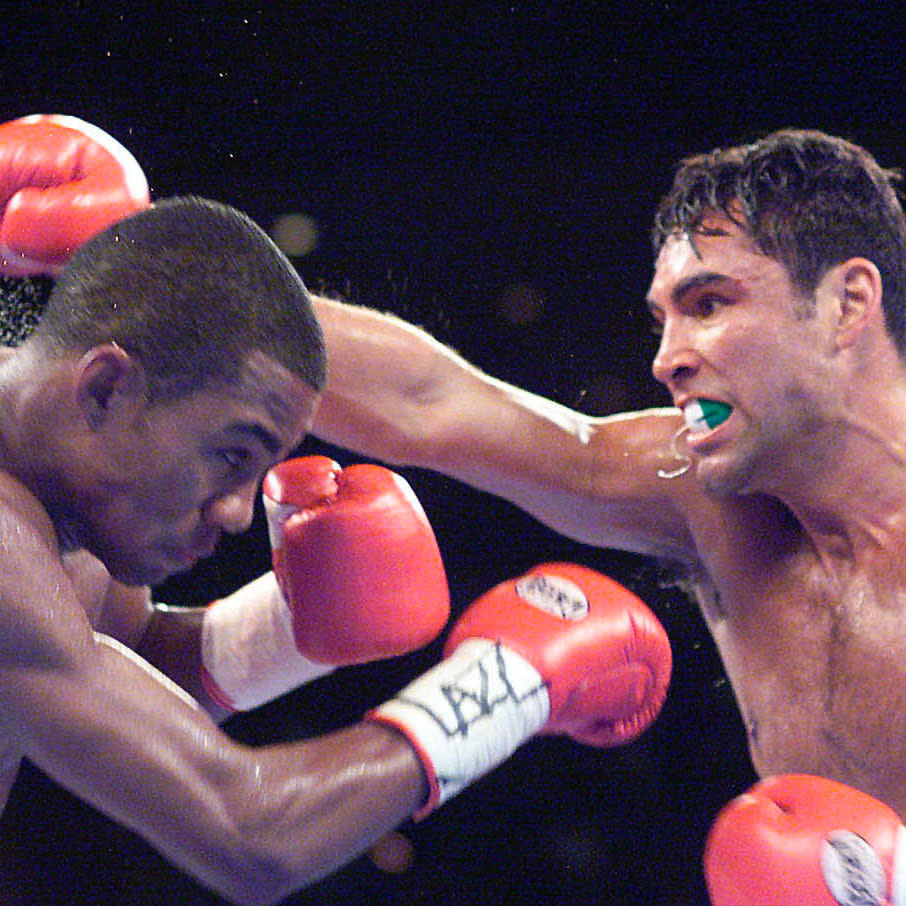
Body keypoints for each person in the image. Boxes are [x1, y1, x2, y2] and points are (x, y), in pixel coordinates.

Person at [0, 115, 672, 905]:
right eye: (230, 454)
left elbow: (106, 654)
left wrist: (285, 632)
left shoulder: (69, 500)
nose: (240, 514)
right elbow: (250, 836)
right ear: (106, 387)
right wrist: (507, 686)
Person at [301, 128, 906, 902]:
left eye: (709, 304)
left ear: (847, 302)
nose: (668, 358)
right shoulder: (706, 500)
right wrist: (174, 286)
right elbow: (434, 402)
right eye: (665, 320)